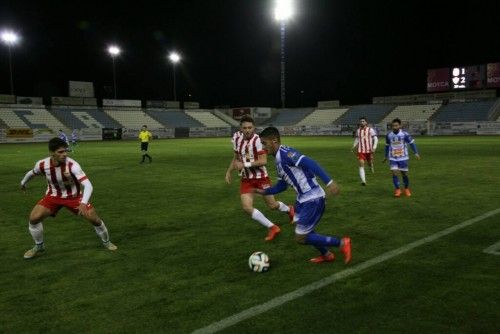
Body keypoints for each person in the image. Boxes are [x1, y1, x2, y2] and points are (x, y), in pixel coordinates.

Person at [255, 126, 351, 264]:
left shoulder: (286, 154)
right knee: (305, 230)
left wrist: (329, 182)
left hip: (313, 198)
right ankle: (326, 254)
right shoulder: (278, 159)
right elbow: (282, 185)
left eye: (264, 143)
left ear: (274, 140)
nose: (263, 147)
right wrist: (264, 192)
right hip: (303, 200)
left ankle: (341, 243)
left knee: (301, 237)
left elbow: (311, 163)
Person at [20, 137, 117, 259]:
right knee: (34, 218)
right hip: (53, 196)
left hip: (74, 198)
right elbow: (31, 173)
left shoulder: (73, 165)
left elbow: (88, 185)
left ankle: (106, 242)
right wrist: (23, 183)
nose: (64, 154)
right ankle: (39, 246)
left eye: (65, 151)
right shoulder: (42, 164)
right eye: (60, 152)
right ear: (52, 153)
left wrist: (83, 203)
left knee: (94, 219)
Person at [225, 115, 294, 241]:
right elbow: (236, 157)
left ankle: (290, 210)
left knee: (272, 205)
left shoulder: (258, 141)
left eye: (250, 128)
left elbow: (263, 161)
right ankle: (272, 227)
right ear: (240, 128)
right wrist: (229, 171)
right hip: (246, 179)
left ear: (254, 127)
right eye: (245, 128)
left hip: (261, 178)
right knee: (246, 207)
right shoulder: (236, 138)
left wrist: (244, 164)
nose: (247, 130)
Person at [382, 118, 421, 197]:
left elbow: (411, 143)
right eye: (393, 126)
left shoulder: (405, 134)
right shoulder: (388, 135)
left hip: (403, 157)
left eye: (396, 125)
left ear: (400, 126)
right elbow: (387, 146)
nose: (394, 127)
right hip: (393, 157)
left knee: (404, 174)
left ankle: (406, 189)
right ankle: (398, 190)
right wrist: (386, 156)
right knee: (394, 172)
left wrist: (416, 152)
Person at [351, 116, 378, 186]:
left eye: (363, 121)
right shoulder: (358, 130)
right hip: (361, 151)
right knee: (361, 164)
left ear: (366, 122)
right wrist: (353, 146)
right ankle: (363, 181)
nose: (362, 122)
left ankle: (371, 166)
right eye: (361, 121)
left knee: (369, 163)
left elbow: (375, 138)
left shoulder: (370, 130)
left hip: (369, 150)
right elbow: (357, 139)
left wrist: (374, 147)